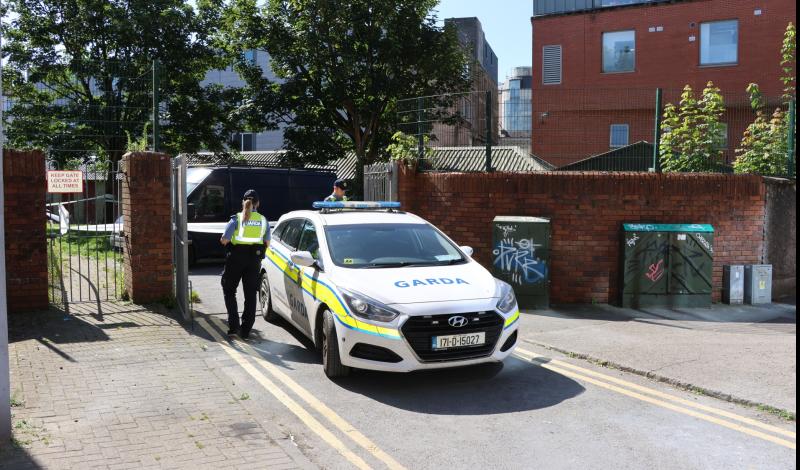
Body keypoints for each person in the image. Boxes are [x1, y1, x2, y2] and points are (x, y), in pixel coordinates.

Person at [220, 190, 270, 339]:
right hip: (254, 261)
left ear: (243, 202)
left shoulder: (236, 219)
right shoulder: (263, 220)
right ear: (258, 203)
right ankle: (246, 330)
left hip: (235, 259)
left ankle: (234, 326)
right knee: (250, 295)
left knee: (229, 291)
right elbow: (267, 242)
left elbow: (224, 240)